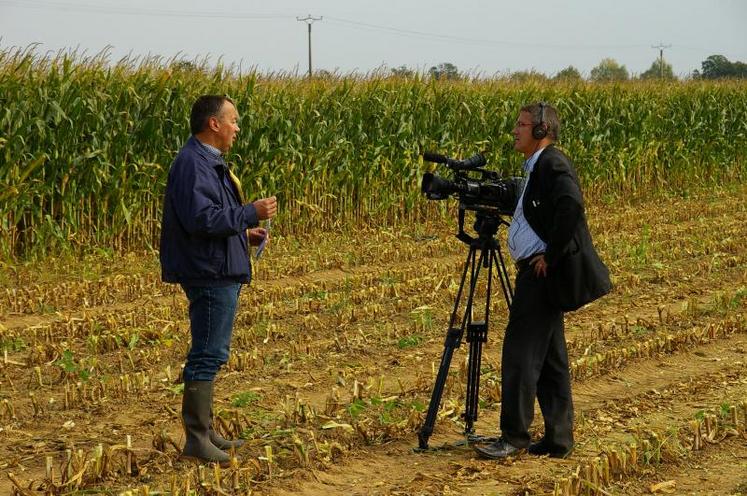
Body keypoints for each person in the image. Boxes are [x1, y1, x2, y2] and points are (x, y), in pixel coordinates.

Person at [473, 102, 610, 460]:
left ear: (540, 130)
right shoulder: (537, 166)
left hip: (541, 274)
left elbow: (572, 206)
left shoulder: (553, 162)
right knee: (551, 360)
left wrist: (550, 255)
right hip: (538, 273)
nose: (516, 130)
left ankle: (513, 437)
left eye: (521, 124)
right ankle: (558, 438)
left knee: (519, 353)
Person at [160, 95, 277, 465]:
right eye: (233, 120)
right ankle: (196, 439)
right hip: (209, 273)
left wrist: (244, 235)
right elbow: (201, 220)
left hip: (215, 265)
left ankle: (206, 431)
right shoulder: (194, 164)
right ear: (214, 124)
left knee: (212, 352)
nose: (237, 128)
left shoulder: (207, 162)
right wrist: (249, 213)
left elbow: (209, 221)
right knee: (208, 353)